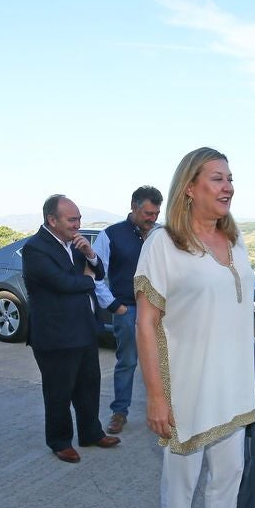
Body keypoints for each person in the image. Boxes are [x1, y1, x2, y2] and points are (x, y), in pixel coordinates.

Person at [135, 147, 255, 508]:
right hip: (185, 383)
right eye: (217, 178)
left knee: (230, 475)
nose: (228, 186)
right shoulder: (163, 243)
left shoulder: (235, 238)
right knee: (182, 479)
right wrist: (155, 395)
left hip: (235, 384)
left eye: (230, 178)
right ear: (189, 187)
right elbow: (146, 322)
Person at [22, 194, 120, 463]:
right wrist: (86, 278)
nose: (77, 224)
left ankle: (91, 433)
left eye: (79, 219)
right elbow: (62, 284)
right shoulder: (36, 248)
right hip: (56, 335)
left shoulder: (76, 244)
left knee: (89, 385)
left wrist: (90, 255)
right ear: (51, 220)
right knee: (59, 392)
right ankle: (60, 441)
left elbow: (98, 274)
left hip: (84, 330)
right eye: (72, 219)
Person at [92, 185, 162, 435]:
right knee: (127, 363)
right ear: (133, 207)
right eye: (148, 213)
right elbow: (96, 275)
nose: (152, 219)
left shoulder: (161, 235)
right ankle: (119, 412)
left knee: (167, 362)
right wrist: (115, 306)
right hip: (128, 311)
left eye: (156, 214)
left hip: (160, 312)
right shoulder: (110, 235)